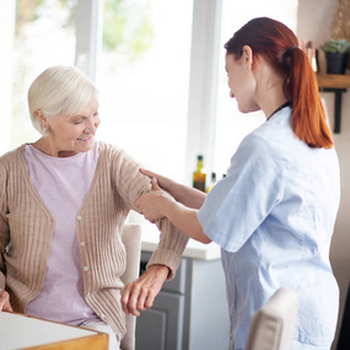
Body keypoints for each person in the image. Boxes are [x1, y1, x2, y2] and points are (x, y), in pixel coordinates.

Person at [130, 17, 341, 350]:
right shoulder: (311, 137)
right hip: (310, 310)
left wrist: (164, 206)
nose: (229, 89)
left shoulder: (266, 145)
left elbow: (207, 229)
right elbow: (234, 209)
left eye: (228, 73)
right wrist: (173, 188)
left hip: (279, 319)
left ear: (248, 57)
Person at [0, 65, 188, 350]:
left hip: (94, 320)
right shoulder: (9, 170)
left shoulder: (113, 163)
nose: (92, 127)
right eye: (78, 120)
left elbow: (173, 215)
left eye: (95, 114)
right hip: (24, 319)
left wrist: (158, 269)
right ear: (43, 118)